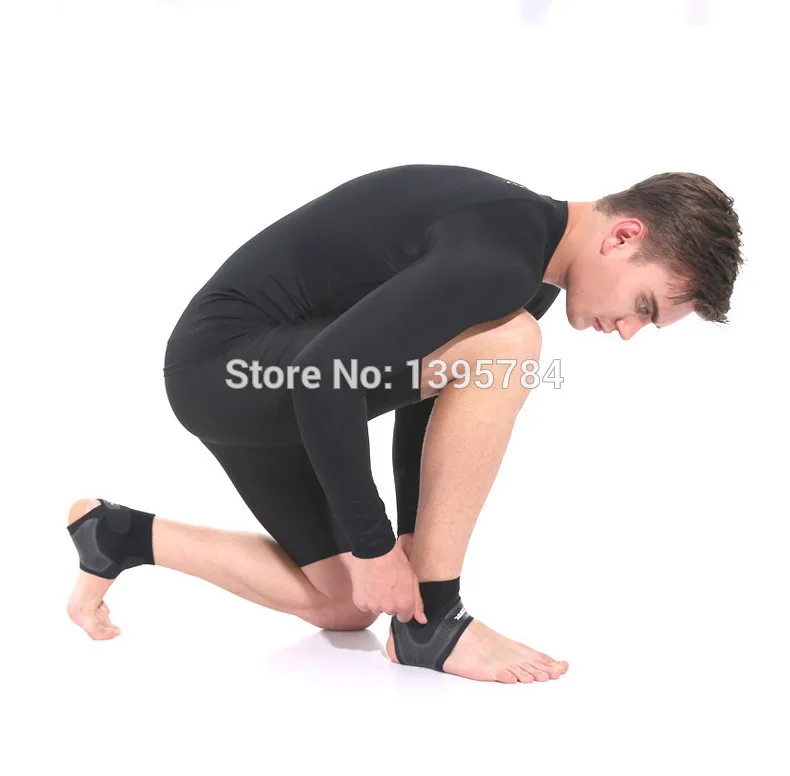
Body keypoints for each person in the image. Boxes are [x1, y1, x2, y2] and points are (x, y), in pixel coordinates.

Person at [65, 164, 743, 683]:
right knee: (509, 345)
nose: (628, 331)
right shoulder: (500, 259)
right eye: (644, 306)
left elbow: (420, 387)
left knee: (345, 607)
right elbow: (326, 377)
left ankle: (117, 534)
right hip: (237, 373)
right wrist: (374, 545)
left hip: (249, 376)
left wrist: (411, 531)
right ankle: (435, 625)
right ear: (624, 236)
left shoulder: (524, 252)